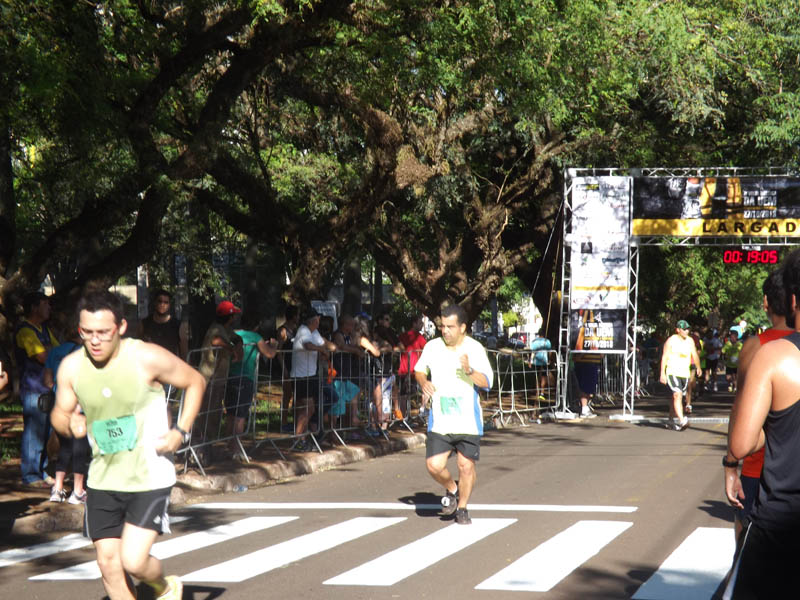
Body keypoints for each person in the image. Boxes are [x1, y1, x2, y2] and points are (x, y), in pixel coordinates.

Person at [50, 290, 206, 600]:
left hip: (148, 476)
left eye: (103, 332)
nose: (95, 341)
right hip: (103, 478)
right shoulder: (72, 366)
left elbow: (195, 381)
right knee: (108, 564)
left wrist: (181, 431)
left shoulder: (146, 357)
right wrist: (69, 423)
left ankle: (165, 587)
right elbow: (59, 412)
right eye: (87, 332)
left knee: (133, 561)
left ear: (120, 327)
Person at [723, 250, 800, 598]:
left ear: (794, 300)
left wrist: (777, 428)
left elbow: (741, 443)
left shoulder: (773, 355)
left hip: (779, 527)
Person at [414, 304, 493, 525]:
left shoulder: (475, 349)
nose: (445, 331)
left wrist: (470, 371)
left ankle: (462, 508)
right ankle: (453, 488)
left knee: (466, 466)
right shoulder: (432, 347)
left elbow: (488, 382)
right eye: (443, 326)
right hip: (440, 419)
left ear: (462, 328)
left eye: (450, 327)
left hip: (468, 421)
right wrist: (423, 382)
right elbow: (419, 370)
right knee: (434, 465)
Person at [15, 291, 59, 486]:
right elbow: (43, 357)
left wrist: (50, 351)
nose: (49, 307)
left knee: (46, 432)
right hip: (33, 390)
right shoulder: (25, 331)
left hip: (46, 389)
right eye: (45, 304)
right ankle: (31, 474)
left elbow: (58, 351)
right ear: (34, 307)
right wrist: (50, 352)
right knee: (34, 433)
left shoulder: (44, 330)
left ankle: (42, 470)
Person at [43, 325, 91, 504]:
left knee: (65, 448)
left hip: (60, 406)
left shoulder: (54, 352)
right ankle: (77, 491)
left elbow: (47, 380)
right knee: (80, 449)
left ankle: (57, 489)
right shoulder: (83, 353)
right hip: (79, 406)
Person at [196, 300, 243, 459]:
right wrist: (231, 349)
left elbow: (236, 338)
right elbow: (216, 340)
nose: (235, 318)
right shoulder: (216, 329)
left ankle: (207, 448)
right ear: (230, 317)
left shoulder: (225, 329)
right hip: (209, 379)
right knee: (206, 414)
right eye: (233, 315)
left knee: (214, 414)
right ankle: (200, 449)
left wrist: (238, 345)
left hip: (218, 379)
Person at [225, 313, 277, 452]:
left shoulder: (233, 334)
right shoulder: (255, 337)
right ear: (257, 325)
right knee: (240, 415)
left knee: (231, 414)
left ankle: (229, 446)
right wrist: (274, 345)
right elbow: (270, 354)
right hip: (246, 377)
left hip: (230, 376)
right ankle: (236, 449)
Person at [291, 309, 337, 450]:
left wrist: (330, 348)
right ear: (314, 320)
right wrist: (322, 350)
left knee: (311, 407)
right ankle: (298, 439)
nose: (319, 321)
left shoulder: (314, 332)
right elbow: (308, 345)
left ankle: (307, 437)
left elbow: (323, 343)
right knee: (308, 409)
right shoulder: (304, 331)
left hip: (310, 375)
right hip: (301, 376)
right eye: (318, 318)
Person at [659, 319, 701, 431]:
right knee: (677, 395)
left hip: (684, 373)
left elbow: (694, 354)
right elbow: (664, 357)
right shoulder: (671, 340)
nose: (686, 331)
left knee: (677, 397)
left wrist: (698, 367)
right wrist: (662, 373)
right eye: (684, 329)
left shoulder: (690, 341)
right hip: (672, 372)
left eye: (688, 329)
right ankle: (682, 420)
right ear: (678, 330)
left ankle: (670, 420)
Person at [137, 289, 188, 359]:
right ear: (155, 303)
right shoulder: (144, 323)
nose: (162, 304)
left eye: (166, 302)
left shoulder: (178, 325)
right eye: (159, 301)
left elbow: (184, 352)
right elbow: (139, 347)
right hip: (150, 363)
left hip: (170, 363)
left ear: (169, 305)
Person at [277, 306, 299, 432]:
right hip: (287, 366)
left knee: (297, 394)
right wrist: (284, 368)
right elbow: (278, 351)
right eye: (297, 315)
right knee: (287, 394)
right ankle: (283, 422)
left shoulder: (296, 330)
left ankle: (296, 421)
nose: (299, 317)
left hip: (297, 366)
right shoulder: (283, 331)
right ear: (293, 316)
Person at [572, 352, 601, 418]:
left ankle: (585, 408)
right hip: (584, 362)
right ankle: (584, 408)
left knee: (589, 387)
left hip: (593, 362)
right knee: (584, 387)